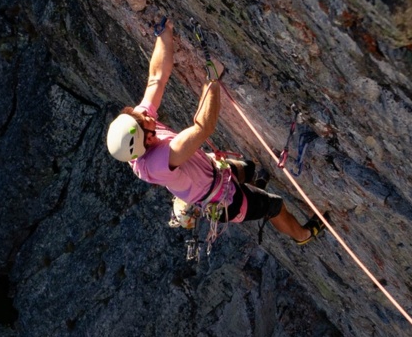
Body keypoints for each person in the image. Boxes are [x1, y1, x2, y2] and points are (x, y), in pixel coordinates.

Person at [105, 19, 318, 243]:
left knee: (250, 168)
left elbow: (156, 78)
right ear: (147, 140)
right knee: (274, 205)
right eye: (145, 121)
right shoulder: (159, 161)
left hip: (214, 173)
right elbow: (203, 127)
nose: (147, 115)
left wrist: (163, 34)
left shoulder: (139, 130)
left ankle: (252, 186)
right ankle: (303, 235)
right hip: (225, 201)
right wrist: (212, 82)